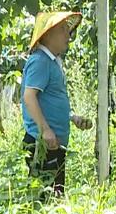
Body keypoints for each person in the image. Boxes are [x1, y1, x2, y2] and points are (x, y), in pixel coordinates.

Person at [21, 11, 92, 199]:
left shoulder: (52, 62)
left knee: (55, 196)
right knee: (43, 199)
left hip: (53, 143)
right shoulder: (40, 61)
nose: (68, 36)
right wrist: (45, 130)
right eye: (63, 30)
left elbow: (49, 100)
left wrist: (71, 117)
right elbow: (29, 97)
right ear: (48, 34)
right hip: (43, 143)